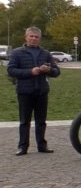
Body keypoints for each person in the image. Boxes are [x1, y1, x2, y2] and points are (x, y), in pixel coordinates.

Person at [7, 27, 61, 155]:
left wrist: (49, 71)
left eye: (36, 37)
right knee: (25, 121)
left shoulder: (45, 53)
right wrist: (30, 72)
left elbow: (57, 71)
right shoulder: (17, 53)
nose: (33, 39)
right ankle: (22, 147)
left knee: (41, 121)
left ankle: (42, 146)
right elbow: (11, 70)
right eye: (31, 36)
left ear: (39, 39)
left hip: (42, 91)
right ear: (26, 37)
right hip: (25, 91)